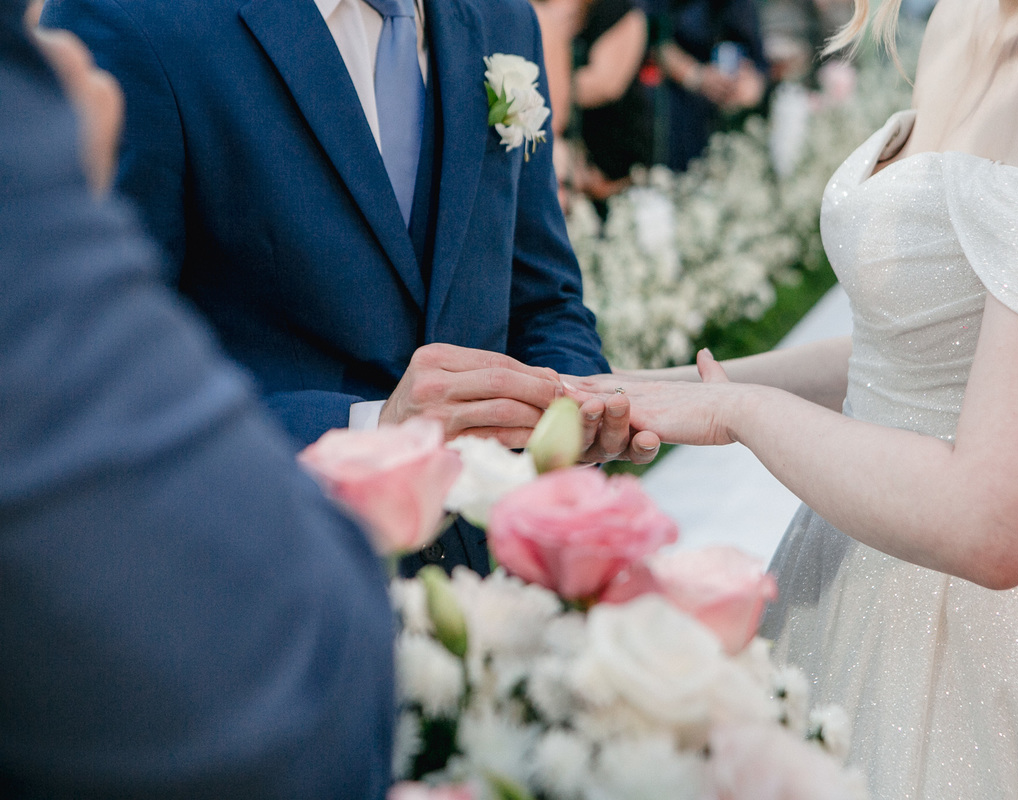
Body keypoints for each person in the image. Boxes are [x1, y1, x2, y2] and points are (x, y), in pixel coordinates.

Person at [571, 0, 1018, 795]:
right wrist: (633, 392)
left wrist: (737, 414)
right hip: (847, 583)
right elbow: (915, 364)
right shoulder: (964, 18)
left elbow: (999, 520)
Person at [40, 0, 658, 576]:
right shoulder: (134, 18)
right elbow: (100, 375)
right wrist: (370, 432)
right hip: (277, 583)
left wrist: (575, 403)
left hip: (493, 586)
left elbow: (543, 296)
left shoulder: (501, 17)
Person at [1, 7, 394, 795]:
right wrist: (373, 427)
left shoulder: (494, 19)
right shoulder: (127, 31)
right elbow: (278, 698)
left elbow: (539, 284)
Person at [647, 0, 769, 170]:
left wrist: (749, 87)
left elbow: (758, 63)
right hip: (668, 111)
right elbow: (649, 38)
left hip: (724, 126)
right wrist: (696, 76)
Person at [570, 0, 653, 196]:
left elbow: (605, 86)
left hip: (614, 158)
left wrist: (535, 87)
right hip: (571, 152)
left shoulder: (620, 12)